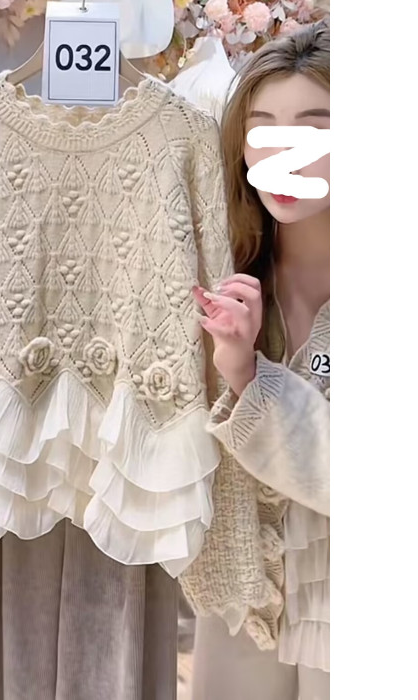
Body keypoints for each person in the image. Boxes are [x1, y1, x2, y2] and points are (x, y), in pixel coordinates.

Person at [189, 19, 330, 700]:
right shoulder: (219, 275)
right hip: (241, 587)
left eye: (315, 127)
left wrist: (246, 375)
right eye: (263, 129)